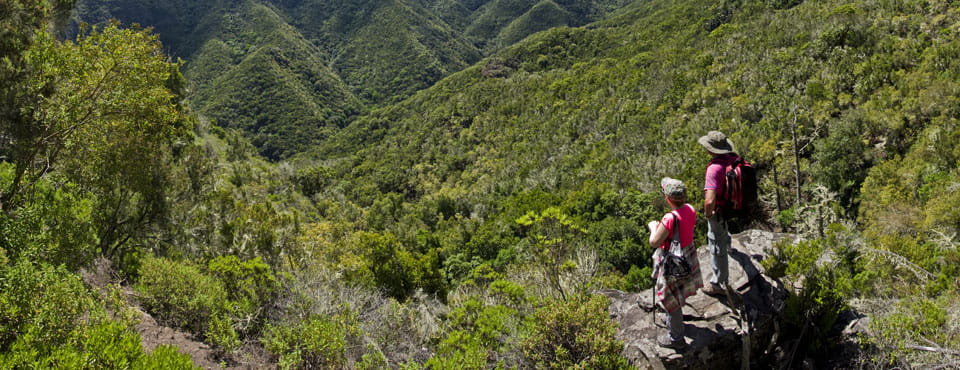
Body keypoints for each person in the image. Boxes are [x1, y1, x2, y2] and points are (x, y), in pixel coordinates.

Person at [648, 177, 702, 349]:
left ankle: (676, 338)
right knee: (678, 293)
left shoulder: (670, 218)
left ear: (667, 198)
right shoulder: (690, 209)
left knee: (670, 298)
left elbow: (654, 242)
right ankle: (674, 322)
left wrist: (653, 227)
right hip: (687, 254)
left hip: (672, 260)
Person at [698, 130, 737, 296]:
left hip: (719, 209)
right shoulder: (734, 159)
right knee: (724, 228)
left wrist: (708, 214)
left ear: (710, 149)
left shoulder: (714, 169)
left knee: (715, 243)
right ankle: (728, 245)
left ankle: (718, 283)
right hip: (733, 206)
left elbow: (709, 200)